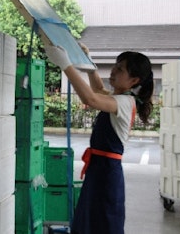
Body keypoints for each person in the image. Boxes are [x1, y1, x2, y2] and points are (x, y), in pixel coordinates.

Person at [46, 44, 154, 234]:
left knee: (103, 223)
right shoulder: (119, 97)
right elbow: (98, 89)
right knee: (92, 222)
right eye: (115, 66)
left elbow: (91, 99)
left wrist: (65, 64)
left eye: (120, 69)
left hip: (106, 174)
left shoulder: (124, 102)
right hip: (100, 169)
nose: (113, 71)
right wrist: (88, 62)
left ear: (134, 80)